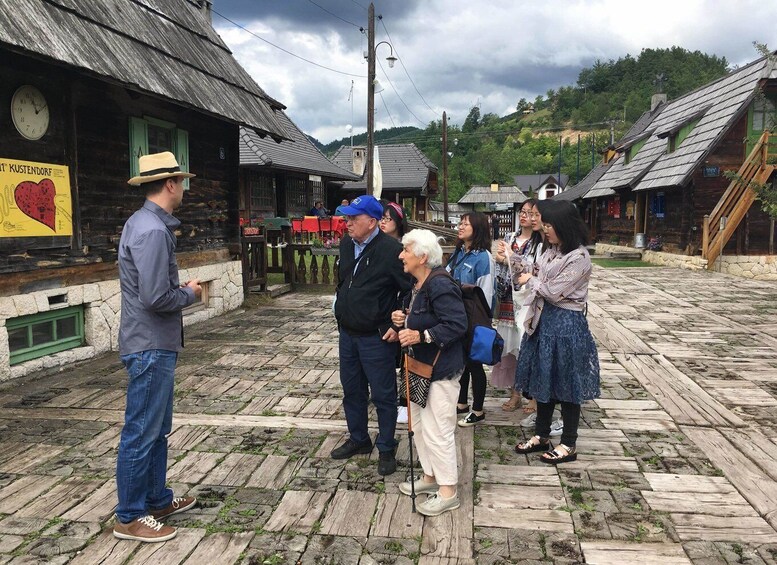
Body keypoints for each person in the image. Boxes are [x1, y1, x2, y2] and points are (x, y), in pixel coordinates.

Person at [113, 152, 201, 543]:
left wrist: (176, 291)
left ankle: (156, 500)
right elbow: (154, 298)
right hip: (150, 344)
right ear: (169, 184)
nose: (183, 188)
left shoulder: (144, 223)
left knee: (156, 430)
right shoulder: (152, 231)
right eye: (181, 181)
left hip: (152, 343)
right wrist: (189, 294)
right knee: (141, 432)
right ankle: (130, 517)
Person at [514, 201, 600, 464]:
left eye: (549, 225)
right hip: (544, 322)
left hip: (566, 326)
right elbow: (536, 273)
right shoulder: (551, 250)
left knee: (568, 383)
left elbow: (552, 291)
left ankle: (568, 443)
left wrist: (531, 280)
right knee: (544, 378)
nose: (545, 230)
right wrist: (516, 262)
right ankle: (542, 434)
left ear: (564, 226)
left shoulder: (579, 257)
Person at [332, 195, 413, 475]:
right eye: (347, 217)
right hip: (348, 333)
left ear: (372, 222)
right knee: (352, 390)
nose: (348, 222)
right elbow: (345, 280)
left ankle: (387, 447)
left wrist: (396, 324)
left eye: (354, 218)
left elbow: (409, 289)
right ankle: (359, 438)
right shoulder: (346, 244)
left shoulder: (392, 250)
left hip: (377, 337)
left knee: (383, 395)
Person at [391, 229, 467, 516]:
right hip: (419, 368)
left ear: (422, 257)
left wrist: (421, 335)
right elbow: (424, 316)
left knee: (438, 430)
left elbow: (457, 324)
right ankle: (430, 476)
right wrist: (403, 318)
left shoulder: (440, 284)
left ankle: (448, 492)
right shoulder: (419, 283)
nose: (401, 255)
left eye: (406, 250)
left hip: (440, 370)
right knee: (420, 427)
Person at [512, 199, 563, 437]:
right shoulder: (542, 244)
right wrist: (511, 258)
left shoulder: (562, 249)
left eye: (535, 215)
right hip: (535, 309)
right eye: (528, 214)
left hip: (556, 313)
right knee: (538, 362)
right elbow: (529, 270)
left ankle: (559, 417)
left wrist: (530, 279)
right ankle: (543, 412)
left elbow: (550, 286)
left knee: (555, 365)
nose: (531, 219)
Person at [447, 211, 495, 427]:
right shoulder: (459, 253)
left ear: (478, 229)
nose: (460, 226)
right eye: (460, 223)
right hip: (457, 315)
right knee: (462, 361)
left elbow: (486, 292)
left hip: (475, 317)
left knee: (475, 363)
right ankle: (462, 402)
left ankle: (478, 409)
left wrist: (481, 322)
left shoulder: (483, 257)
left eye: (465, 224)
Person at [492, 199, 535, 411]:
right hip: (508, 297)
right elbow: (500, 261)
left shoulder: (539, 242)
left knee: (527, 346)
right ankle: (515, 393)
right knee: (508, 348)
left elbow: (532, 267)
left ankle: (533, 396)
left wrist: (508, 258)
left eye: (530, 212)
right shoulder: (510, 237)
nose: (525, 216)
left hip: (528, 298)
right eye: (523, 212)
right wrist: (502, 259)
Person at [379, 200, 411, 424]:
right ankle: (385, 396)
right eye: (381, 218)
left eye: (388, 219)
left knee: (404, 356)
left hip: (401, 309)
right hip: (383, 310)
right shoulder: (377, 245)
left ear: (398, 222)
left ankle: (404, 400)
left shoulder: (404, 248)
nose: (383, 222)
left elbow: (408, 285)